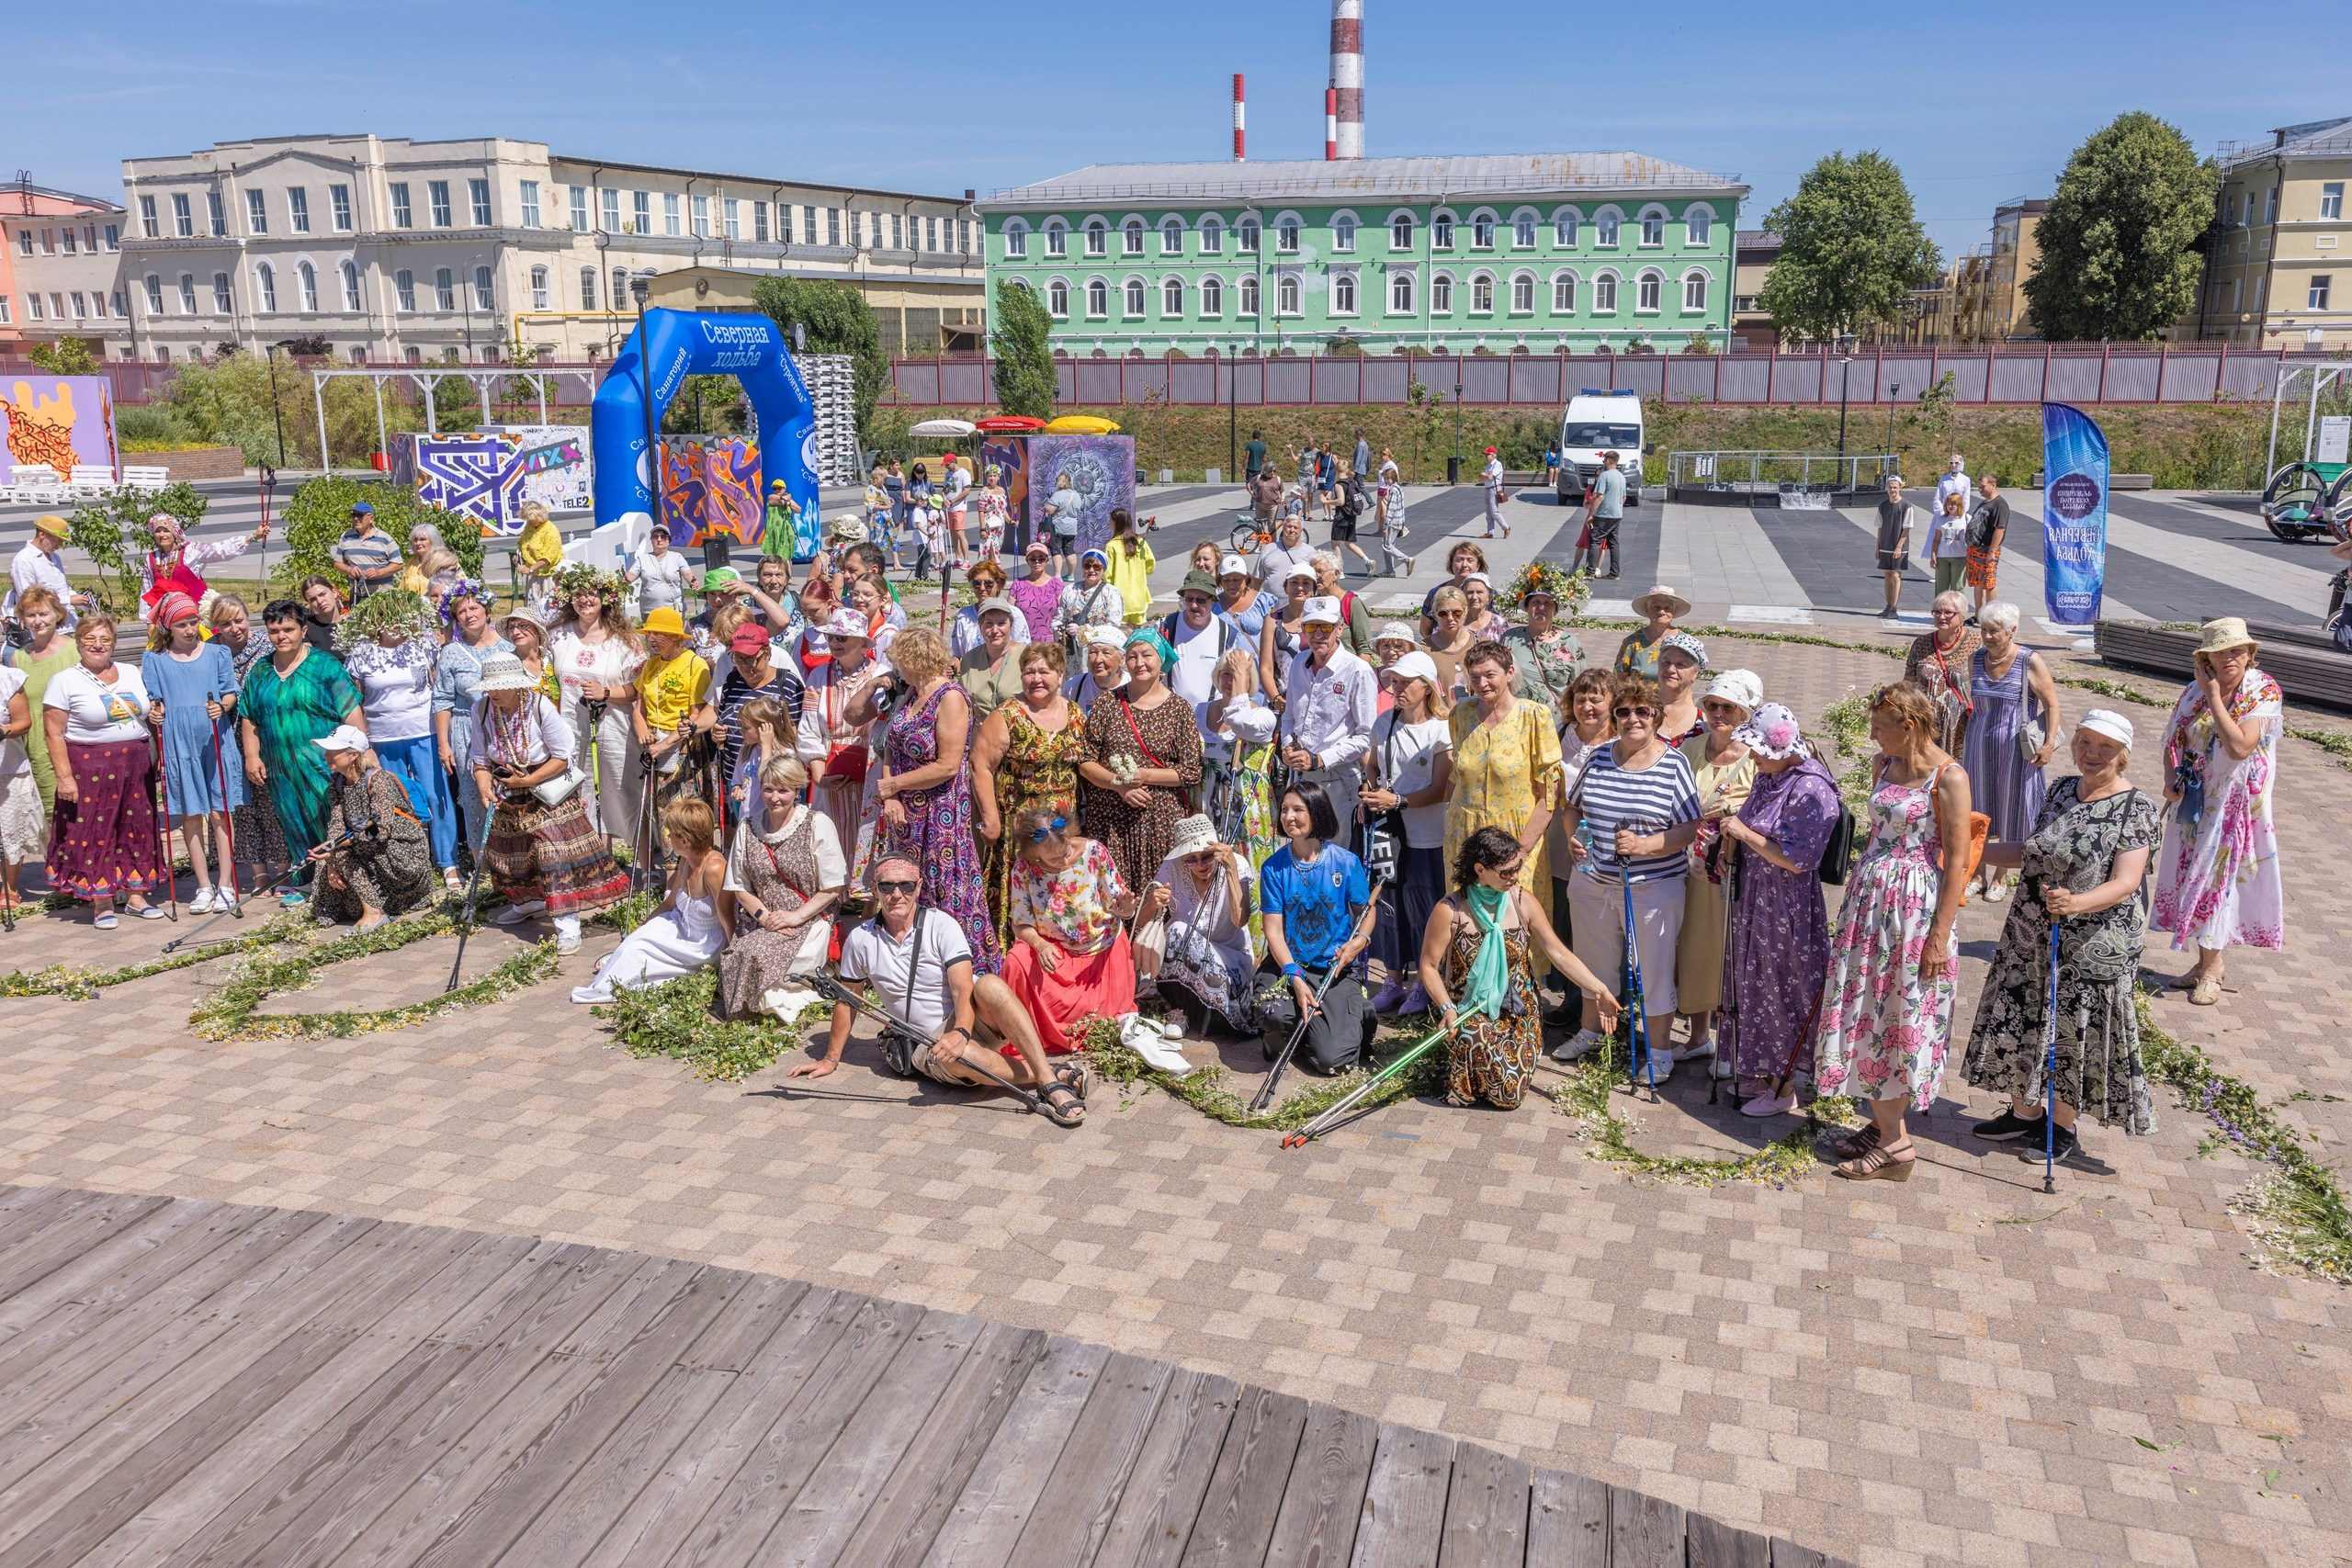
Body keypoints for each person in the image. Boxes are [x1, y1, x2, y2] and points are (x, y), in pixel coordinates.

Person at [1962, 709, 2158, 1166]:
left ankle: (2063, 1125)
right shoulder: (2061, 789)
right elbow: (2031, 852)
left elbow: (2126, 881)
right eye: (2085, 743)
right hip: (2031, 928)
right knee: (2026, 1015)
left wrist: (2076, 902)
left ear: (2122, 755)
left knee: (2073, 1031)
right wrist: (1968, 851)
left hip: (2092, 940)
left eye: (2104, 748)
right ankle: (2024, 1112)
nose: (2091, 754)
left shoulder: (2137, 807)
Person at [789, 854, 1084, 1126]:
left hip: (967, 1022)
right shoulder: (860, 939)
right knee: (959, 1054)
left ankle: (1047, 1079)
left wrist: (961, 1032)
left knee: (990, 985)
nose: (896, 894)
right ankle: (1052, 1075)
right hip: (925, 1042)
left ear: (918, 887)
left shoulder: (942, 925)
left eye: (905, 885)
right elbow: (848, 1000)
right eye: (887, 886)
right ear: (874, 889)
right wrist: (830, 1058)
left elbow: (962, 989)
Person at [1814, 682, 1973, 1181]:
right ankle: (1882, 1122)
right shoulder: (1887, 765)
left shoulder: (1949, 777)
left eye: (1880, 728)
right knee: (1867, 1007)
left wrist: (1939, 937)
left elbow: (1960, 861)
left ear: (1909, 726)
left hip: (1913, 909)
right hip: (1870, 904)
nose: (1873, 736)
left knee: (1899, 1013)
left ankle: (1897, 1146)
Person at [1555, 671, 1699, 1072]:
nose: (1632, 718)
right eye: (1623, 712)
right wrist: (1573, 838)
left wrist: (1645, 846)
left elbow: (1689, 827)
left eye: (1642, 711)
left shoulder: (1674, 764)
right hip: (1593, 880)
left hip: (1652, 886)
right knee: (1593, 962)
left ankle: (1659, 1052)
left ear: (1656, 716)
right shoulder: (1600, 756)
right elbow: (1573, 808)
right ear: (1614, 718)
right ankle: (1592, 1031)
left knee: (1652, 972)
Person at [1422, 826, 1621, 1108]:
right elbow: (1428, 966)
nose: (1515, 877)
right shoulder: (1450, 910)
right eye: (1506, 872)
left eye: (1518, 867)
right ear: (1480, 869)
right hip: (1469, 1007)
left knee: (1507, 1096)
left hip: (1518, 1006)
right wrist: (1447, 1008)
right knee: (1477, 1041)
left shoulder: (1521, 899)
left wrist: (1599, 988)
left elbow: (1558, 953)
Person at [1714, 704, 1841, 1114]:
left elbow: (1798, 859)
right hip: (1755, 897)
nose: (1752, 756)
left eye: (1759, 749)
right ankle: (1762, 1071)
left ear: (1783, 748)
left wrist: (1742, 833)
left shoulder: (1810, 788)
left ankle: (1784, 1086)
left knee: (1782, 984)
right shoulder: (1773, 776)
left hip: (1785, 907)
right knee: (1755, 983)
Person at [2152, 617, 2284, 1007]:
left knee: (2216, 882)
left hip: (2237, 805)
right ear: (2205, 659)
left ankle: (2213, 968)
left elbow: (2240, 746)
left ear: (2249, 654)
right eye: (2219, 652)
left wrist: (2213, 697)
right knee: (2195, 877)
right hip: (2196, 801)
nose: (2229, 658)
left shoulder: (2263, 690)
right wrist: (2170, 776)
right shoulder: (2193, 692)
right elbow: (2172, 740)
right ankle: (2204, 962)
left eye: (2236, 650)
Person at [855, 626, 1000, 972]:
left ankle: (963, 966)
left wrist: (894, 787)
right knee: (907, 883)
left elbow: (948, 765)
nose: (896, 670)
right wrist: (890, 793)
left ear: (915, 660)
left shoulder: (950, 697)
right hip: (905, 814)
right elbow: (890, 744)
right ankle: (916, 963)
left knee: (944, 885)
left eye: (900, 662)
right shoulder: (911, 694)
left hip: (940, 813)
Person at [469, 650, 628, 955]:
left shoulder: (539, 706)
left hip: (545, 789)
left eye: (499, 687)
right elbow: (479, 759)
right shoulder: (482, 709)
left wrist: (528, 781)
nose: (493, 693)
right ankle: (528, 904)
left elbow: (561, 756)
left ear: (516, 685)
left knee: (553, 853)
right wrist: (483, 787)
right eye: (489, 687)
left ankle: (568, 925)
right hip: (509, 790)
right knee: (511, 854)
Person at [41, 614, 166, 925]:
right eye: (90, 639)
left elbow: (148, 712)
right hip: (90, 768)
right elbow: (53, 733)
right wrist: (64, 778)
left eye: (105, 639)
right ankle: (102, 902)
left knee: (136, 827)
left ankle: (136, 896)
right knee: (95, 833)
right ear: (79, 642)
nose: (98, 645)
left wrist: (157, 726)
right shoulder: (64, 681)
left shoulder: (130, 672)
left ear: (113, 642)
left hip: (136, 765)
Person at [339, 589, 460, 885]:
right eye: (385, 616)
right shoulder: (361, 654)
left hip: (424, 731)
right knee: (393, 800)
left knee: (435, 795)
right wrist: (361, 741)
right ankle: (406, 861)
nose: (392, 622)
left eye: (398, 616)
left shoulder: (423, 647)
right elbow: (352, 698)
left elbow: (439, 684)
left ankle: (447, 862)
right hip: (383, 737)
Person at [717, 754, 847, 1022]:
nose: (774, 797)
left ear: (797, 791)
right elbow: (739, 887)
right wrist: (764, 916)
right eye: (768, 789)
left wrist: (795, 916)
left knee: (755, 955)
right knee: (738, 954)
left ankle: (760, 1006)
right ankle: (750, 1008)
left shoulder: (816, 823)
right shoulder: (747, 828)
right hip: (761, 919)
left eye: (783, 791)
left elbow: (833, 886)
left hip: (808, 918)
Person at [970, 639, 1085, 944]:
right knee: (1020, 890)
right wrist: (991, 821)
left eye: (1045, 671)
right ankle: (1012, 954)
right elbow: (980, 765)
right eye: (1029, 672)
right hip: (1019, 827)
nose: (1037, 679)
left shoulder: (1075, 714)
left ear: (1061, 675)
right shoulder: (1007, 714)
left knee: (1057, 883)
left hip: (1061, 824)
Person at [1673, 669, 1760, 1064]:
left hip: (1732, 868)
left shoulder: (1755, 758)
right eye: (1712, 705)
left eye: (1728, 707)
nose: (1718, 713)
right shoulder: (1690, 748)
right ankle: (1697, 1037)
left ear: (1744, 713)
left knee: (1728, 952)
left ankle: (1729, 1043)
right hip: (1684, 864)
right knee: (1693, 948)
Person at [1260, 778, 1376, 1074]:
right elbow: (1272, 930)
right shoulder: (1273, 868)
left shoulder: (1346, 863)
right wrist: (1295, 978)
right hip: (1288, 966)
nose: (1288, 817)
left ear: (1317, 812)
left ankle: (1353, 1014)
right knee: (1272, 1018)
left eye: (1298, 809)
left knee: (1332, 1062)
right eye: (1284, 809)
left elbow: (1366, 911)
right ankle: (1300, 1025)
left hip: (1332, 968)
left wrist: (1359, 940)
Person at [1080, 628, 1204, 903]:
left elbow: (1191, 771)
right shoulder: (1107, 703)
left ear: (1161, 661)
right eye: (1133, 656)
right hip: (1110, 821)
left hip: (1159, 823)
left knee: (1159, 899)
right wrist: (1119, 785)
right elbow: (1085, 761)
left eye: (1147, 655)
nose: (1139, 663)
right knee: (1113, 899)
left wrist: (1145, 775)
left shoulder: (1179, 709)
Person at [1002, 805, 1143, 1049]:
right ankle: (1023, 1033)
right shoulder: (1023, 870)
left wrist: (1126, 908)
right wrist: (1039, 943)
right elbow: (1021, 923)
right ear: (1035, 853)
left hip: (1101, 951)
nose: (1064, 860)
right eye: (1055, 858)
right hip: (1056, 955)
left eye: (1066, 850)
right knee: (1017, 959)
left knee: (1103, 1028)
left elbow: (1121, 910)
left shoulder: (1094, 852)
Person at [241, 599, 365, 868]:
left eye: (288, 629)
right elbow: (249, 716)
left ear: (303, 630)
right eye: (274, 631)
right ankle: (306, 882)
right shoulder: (261, 671)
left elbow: (351, 712)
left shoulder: (325, 666)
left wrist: (358, 753)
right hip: (280, 767)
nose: (281, 636)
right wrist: (252, 756)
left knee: (331, 820)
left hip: (325, 764)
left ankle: (341, 877)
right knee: (293, 821)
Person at [141, 591, 244, 912]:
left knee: (219, 812)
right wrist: (154, 713)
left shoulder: (217, 654)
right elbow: (153, 701)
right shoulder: (155, 659)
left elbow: (230, 692)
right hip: (179, 743)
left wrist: (222, 706)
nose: (189, 629)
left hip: (215, 739)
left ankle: (225, 883)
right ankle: (203, 886)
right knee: (191, 814)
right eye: (181, 624)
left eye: (193, 622)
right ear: (168, 627)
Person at [571, 797, 729, 1005]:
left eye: (671, 834)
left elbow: (729, 919)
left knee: (638, 951)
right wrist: (642, 927)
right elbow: (670, 903)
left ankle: (618, 972)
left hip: (704, 945)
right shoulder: (686, 860)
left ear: (685, 841)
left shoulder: (714, 868)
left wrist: (730, 962)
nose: (668, 837)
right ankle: (619, 964)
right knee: (636, 941)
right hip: (682, 926)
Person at [1363, 649, 1452, 1014]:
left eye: (1405, 682)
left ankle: (1422, 982)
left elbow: (1440, 789)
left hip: (1427, 835)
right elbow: (1371, 764)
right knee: (1389, 904)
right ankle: (1393, 978)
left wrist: (1396, 800)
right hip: (1389, 833)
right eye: (1394, 681)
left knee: (1425, 909)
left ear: (1427, 687)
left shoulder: (1441, 730)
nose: (1396, 688)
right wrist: (1367, 792)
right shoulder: (1385, 721)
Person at [1445, 642, 1560, 908]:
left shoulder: (1534, 716)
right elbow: (1456, 779)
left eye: (1489, 675)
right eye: (1474, 677)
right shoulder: (1460, 715)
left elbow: (1548, 798)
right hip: (1465, 836)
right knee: (1467, 921)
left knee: (1517, 921)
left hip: (1516, 839)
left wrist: (1520, 852)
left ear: (1509, 673)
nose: (1482, 683)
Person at [1959, 602, 2058, 903]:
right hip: (1979, 748)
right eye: (1983, 630)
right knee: (1979, 810)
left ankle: (2001, 875)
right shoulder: (1976, 659)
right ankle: (1977, 873)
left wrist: (2049, 743)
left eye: (1994, 631)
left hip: (2017, 752)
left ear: (2012, 631)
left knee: (2012, 811)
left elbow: (2051, 703)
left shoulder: (2030, 660)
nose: (1987, 637)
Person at [1136, 813, 1258, 1038]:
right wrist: (1153, 903)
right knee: (1175, 930)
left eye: (1207, 856)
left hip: (1230, 958)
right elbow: (1141, 922)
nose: (1200, 865)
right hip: (1186, 962)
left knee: (1179, 930)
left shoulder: (1236, 864)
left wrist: (1230, 870)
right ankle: (1179, 1010)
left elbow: (1240, 920)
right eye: (1191, 859)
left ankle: (1200, 1012)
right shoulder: (1172, 867)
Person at [549, 570, 645, 852]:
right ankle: (597, 866)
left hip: (614, 730)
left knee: (620, 794)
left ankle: (645, 864)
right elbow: (546, 680)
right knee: (582, 795)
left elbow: (639, 688)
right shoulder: (558, 636)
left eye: (591, 593)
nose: (585, 600)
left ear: (606, 598)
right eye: (578, 594)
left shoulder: (624, 641)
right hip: (570, 729)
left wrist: (606, 692)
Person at [1543, 668, 1615, 1028]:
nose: (1587, 705)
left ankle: (1609, 1002)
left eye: (1597, 698)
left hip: (1606, 843)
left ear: (1612, 702)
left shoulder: (1622, 739)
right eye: (1581, 698)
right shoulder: (1559, 735)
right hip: (1561, 837)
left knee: (1603, 926)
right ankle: (1573, 1000)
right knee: (1566, 920)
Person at [208, 592, 292, 899]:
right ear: (216, 627)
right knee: (242, 805)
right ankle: (259, 872)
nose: (235, 628)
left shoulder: (267, 646)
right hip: (227, 735)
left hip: (265, 733)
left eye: (239, 619)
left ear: (248, 617)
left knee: (273, 800)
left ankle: (283, 868)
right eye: (226, 623)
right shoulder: (212, 653)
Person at [307, 725, 433, 928]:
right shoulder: (337, 781)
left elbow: (379, 831)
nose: (327, 755)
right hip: (365, 845)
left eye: (333, 751)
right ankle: (368, 905)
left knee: (340, 853)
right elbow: (337, 824)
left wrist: (335, 847)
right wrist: (330, 856)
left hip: (397, 850)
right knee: (328, 859)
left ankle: (374, 912)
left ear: (353, 755)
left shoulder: (378, 780)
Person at [1279, 596, 1377, 840]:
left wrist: (1320, 759)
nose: (1318, 634)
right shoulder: (1300, 662)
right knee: (1302, 850)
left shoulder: (1357, 670)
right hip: (1301, 777)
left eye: (1326, 627)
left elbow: (1366, 737)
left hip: (1338, 781)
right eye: (1311, 627)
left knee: (1333, 856)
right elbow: (1289, 717)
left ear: (1340, 629)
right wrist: (1287, 746)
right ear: (1303, 629)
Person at [1202, 646, 1280, 942]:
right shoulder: (1201, 710)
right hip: (1209, 807)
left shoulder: (1263, 717)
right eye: (1224, 674)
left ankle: (1254, 945)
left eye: (1235, 675)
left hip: (1247, 814)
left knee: (1247, 876)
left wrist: (1240, 685)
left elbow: (1240, 723)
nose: (1228, 680)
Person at [795, 607, 886, 853]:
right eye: (830, 637)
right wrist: (819, 775)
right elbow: (809, 728)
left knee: (868, 835)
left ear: (860, 642)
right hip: (830, 765)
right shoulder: (818, 675)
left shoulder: (881, 675)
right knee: (830, 840)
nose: (834, 642)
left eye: (842, 638)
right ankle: (837, 892)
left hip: (870, 768)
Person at [433, 580, 512, 860]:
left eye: (474, 607)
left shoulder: (509, 647)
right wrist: (444, 744)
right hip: (466, 727)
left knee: (512, 792)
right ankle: (485, 868)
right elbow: (442, 699)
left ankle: (517, 861)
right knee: (475, 797)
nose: (469, 614)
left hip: (508, 726)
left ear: (487, 610)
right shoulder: (451, 653)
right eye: (461, 612)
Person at [631, 607, 717, 829]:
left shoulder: (694, 664)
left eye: (659, 633)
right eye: (649, 633)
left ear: (676, 637)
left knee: (682, 814)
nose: (652, 639)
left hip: (682, 746)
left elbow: (696, 714)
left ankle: (685, 862)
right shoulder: (650, 665)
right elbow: (639, 708)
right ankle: (670, 862)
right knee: (662, 814)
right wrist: (643, 733)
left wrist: (665, 744)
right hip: (655, 748)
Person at [140, 510, 265, 623]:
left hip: (195, 614)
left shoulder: (191, 550)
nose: (162, 535)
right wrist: (149, 621)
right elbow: (147, 589)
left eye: (166, 530)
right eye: (158, 531)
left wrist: (252, 537)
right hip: (168, 617)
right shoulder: (151, 559)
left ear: (174, 532)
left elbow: (219, 550)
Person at [1904, 592, 1981, 757]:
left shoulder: (1977, 644)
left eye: (1948, 612)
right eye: (1937, 612)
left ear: (1962, 616)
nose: (1942, 616)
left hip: (1962, 726)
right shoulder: (1921, 643)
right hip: (1926, 724)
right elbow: (1908, 683)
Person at [1505, 579, 1584, 705]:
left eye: (1548, 604)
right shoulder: (1510, 638)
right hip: (1519, 716)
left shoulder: (1570, 642)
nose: (1541, 607)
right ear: (1527, 607)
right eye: (1536, 602)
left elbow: (1581, 684)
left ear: (1556, 610)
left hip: (1557, 720)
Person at [7, 516, 92, 631]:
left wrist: (83, 601)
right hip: (45, 629)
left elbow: (62, 589)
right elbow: (29, 599)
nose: (60, 545)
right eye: (57, 540)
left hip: (68, 625)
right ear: (42, 535)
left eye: (62, 541)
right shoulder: (24, 560)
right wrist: (68, 600)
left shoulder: (54, 557)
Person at [0, 649, 37, 916]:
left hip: (9, 768)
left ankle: (9, 888)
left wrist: (3, 731)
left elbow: (24, 722)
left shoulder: (8, 678)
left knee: (11, 830)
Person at [956, 597, 1027, 722]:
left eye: (1001, 623)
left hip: (1018, 734)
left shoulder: (1027, 657)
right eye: (988, 623)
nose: (995, 630)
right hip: (980, 735)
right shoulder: (969, 659)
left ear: (1011, 625)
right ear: (980, 626)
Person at [951, 558, 1030, 660]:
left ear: (999, 585)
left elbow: (1024, 651)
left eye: (988, 584)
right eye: (977, 583)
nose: (982, 588)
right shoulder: (964, 616)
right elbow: (956, 654)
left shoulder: (1014, 614)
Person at [1258, 564, 1315, 703]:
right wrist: (1275, 698)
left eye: (1306, 583)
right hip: (1282, 699)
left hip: (1313, 698)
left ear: (1314, 590)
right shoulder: (1273, 620)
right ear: (1285, 587)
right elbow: (1266, 666)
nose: (1299, 587)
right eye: (1294, 582)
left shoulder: (1320, 620)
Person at [329, 500, 403, 603]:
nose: (356, 518)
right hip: (357, 595)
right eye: (353, 515)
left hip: (382, 597)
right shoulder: (345, 537)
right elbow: (337, 564)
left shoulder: (385, 538)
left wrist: (379, 572)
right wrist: (349, 570)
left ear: (371, 518)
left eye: (360, 515)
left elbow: (398, 564)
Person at [1053, 551, 1125, 651]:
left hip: (1097, 649)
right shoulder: (1070, 590)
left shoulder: (1111, 592)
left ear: (1104, 569)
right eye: (1087, 566)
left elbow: (1113, 626)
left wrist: (1082, 631)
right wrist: (1058, 629)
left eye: (1097, 567)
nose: (1091, 570)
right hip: (1072, 651)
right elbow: (1060, 618)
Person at [1306, 553, 1376, 656]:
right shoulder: (1312, 602)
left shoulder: (1352, 603)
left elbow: (1365, 648)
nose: (1316, 576)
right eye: (1313, 572)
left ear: (1336, 574)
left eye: (1320, 572)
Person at [1615, 586, 1688, 680]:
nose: (1662, 612)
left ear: (1674, 611)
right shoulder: (1632, 642)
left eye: (1667, 608)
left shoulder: (1685, 642)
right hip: (1639, 694)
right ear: (1647, 610)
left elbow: (1690, 676)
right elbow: (1619, 679)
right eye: (1656, 607)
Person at [1418, 544, 1487, 637]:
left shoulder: (1487, 593)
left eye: (1470, 560)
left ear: (1478, 565)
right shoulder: (1436, 593)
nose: (1464, 565)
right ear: (1451, 564)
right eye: (1459, 560)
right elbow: (1425, 630)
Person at [1007, 542, 1068, 647]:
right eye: (1033, 558)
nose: (1037, 562)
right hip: (1023, 643)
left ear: (1047, 560)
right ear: (1027, 560)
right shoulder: (1018, 584)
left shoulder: (1057, 585)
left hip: (1050, 644)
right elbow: (1009, 614)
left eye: (1041, 558)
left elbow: (1064, 615)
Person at [1653, 632, 1708, 747]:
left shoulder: (1706, 714)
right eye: (1666, 662)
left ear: (1695, 674)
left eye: (1680, 664)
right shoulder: (1639, 705)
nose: (1671, 669)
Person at [1966, 474, 2009, 617]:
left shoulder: (1999, 504)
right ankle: (1979, 614)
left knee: (1989, 583)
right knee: (1977, 582)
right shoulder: (1985, 502)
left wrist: (1992, 551)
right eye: (1978, 486)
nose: (1980, 489)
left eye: (1983, 486)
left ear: (1993, 485)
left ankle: (1991, 615)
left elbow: (2000, 529)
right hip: (1975, 549)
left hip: (1987, 549)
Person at [500, 605, 561, 705]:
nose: (515, 632)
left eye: (523, 625)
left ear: (537, 630)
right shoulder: (508, 665)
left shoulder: (551, 658)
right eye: (511, 627)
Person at [514, 501, 567, 615]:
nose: (529, 522)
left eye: (531, 519)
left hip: (548, 576)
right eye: (527, 519)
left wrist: (530, 569)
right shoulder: (530, 526)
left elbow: (548, 558)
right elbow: (523, 543)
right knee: (532, 607)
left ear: (539, 515)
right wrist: (518, 555)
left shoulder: (550, 530)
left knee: (548, 608)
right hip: (533, 575)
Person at [1103, 509, 1155, 626]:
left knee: (1121, 636)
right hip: (1139, 597)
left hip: (1119, 599)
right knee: (1136, 636)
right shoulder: (1141, 543)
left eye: (1111, 521)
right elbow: (1150, 568)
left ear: (1116, 523)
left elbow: (1107, 575)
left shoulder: (1111, 546)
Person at [1326, 462, 1377, 577]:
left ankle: (1340, 570)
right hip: (1351, 516)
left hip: (1341, 516)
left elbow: (1341, 501)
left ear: (1336, 470)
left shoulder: (1339, 484)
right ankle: (1367, 560)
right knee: (1349, 543)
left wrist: (1327, 501)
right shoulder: (1352, 481)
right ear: (1347, 469)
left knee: (1335, 544)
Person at [1874, 475, 1915, 620]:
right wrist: (1877, 547)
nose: (1892, 490)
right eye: (1890, 487)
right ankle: (1888, 606)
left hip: (1899, 547)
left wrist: (1899, 546)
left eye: (1895, 487)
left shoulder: (1906, 506)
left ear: (1900, 488)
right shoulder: (1883, 506)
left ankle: (1894, 607)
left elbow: (1907, 528)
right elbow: (1879, 527)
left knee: (1896, 575)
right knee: (1887, 575)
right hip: (1885, 545)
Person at [1423, 588, 1475, 700]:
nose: (1450, 618)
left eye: (1457, 613)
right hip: (1438, 715)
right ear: (1436, 614)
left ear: (1465, 611)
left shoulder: (1478, 644)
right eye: (1443, 613)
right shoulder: (1424, 649)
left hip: (1473, 714)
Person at [1581, 450, 1626, 577]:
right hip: (1617, 514)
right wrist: (1617, 507)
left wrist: (1591, 515)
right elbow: (1624, 497)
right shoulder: (1621, 476)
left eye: (1603, 461)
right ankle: (1614, 573)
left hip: (1604, 514)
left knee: (1595, 540)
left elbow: (1599, 497)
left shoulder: (1604, 476)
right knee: (1614, 543)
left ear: (1607, 461)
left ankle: (1589, 572)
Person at [1065, 625, 1128, 712]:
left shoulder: (1133, 685)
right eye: (1093, 652)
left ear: (1122, 658)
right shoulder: (1073, 687)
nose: (1098, 660)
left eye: (1106, 653)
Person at [1215, 553, 1277, 641]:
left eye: (1237, 580)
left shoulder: (1264, 602)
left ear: (1246, 579)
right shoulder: (1213, 604)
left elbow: (1275, 637)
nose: (1231, 584)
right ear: (1220, 581)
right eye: (1226, 580)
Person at [1927, 491, 1972, 601]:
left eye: (1953, 504)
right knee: (1941, 587)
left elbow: (1971, 538)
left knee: (1957, 587)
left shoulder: (1966, 518)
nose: (1950, 506)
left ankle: (1958, 611)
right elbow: (1936, 538)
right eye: (1948, 504)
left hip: (1960, 555)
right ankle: (1939, 609)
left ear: (1959, 505)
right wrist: (1933, 555)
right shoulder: (1941, 519)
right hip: (1943, 555)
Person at [1256, 513, 1315, 591]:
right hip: (1271, 602)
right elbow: (1256, 580)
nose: (1292, 530)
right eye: (1289, 526)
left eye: (1296, 528)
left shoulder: (1310, 552)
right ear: (1283, 528)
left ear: (1301, 531)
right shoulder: (1268, 549)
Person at [1041, 471, 1084, 579]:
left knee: (1056, 550)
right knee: (1069, 550)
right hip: (1072, 527)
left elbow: (1050, 510)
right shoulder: (1076, 495)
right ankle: (1071, 575)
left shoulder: (1058, 495)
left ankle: (1058, 575)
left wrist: (1046, 506)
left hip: (1058, 527)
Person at [299, 575, 348, 655]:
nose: (319, 601)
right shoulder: (306, 628)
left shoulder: (353, 625)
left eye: (322, 594)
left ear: (334, 593)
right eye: (312, 599)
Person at [395, 522, 445, 595]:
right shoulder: (412, 562)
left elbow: (460, 586)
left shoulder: (444, 561)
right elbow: (402, 589)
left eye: (422, 539)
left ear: (433, 540)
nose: (418, 543)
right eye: (415, 540)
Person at [1459, 573, 1507, 643]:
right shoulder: (1455, 622)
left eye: (1479, 592)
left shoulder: (1499, 623)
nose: (1474, 597)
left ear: (1489, 597)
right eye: (1470, 592)